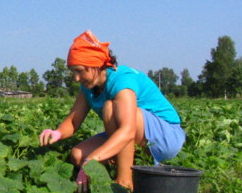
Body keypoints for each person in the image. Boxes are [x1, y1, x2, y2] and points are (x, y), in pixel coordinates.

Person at [38, 30, 185, 191]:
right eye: (73, 71)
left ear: (95, 65)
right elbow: (74, 120)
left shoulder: (122, 80)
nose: (76, 78)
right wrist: (57, 133)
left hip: (165, 137)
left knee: (111, 107)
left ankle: (125, 182)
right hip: (133, 133)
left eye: (79, 70)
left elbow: (128, 130)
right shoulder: (87, 87)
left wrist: (93, 160)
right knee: (78, 155)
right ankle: (133, 165)